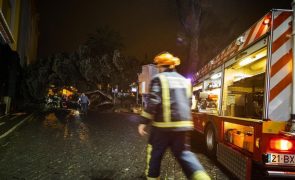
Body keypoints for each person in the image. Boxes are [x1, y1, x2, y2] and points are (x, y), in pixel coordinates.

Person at [138, 52, 211, 180]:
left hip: (163, 127)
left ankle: (152, 178)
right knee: (185, 154)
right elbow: (189, 103)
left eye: (158, 66)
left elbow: (153, 101)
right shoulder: (185, 81)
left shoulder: (158, 79)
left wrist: (144, 121)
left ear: (160, 66)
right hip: (183, 126)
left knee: (156, 155)